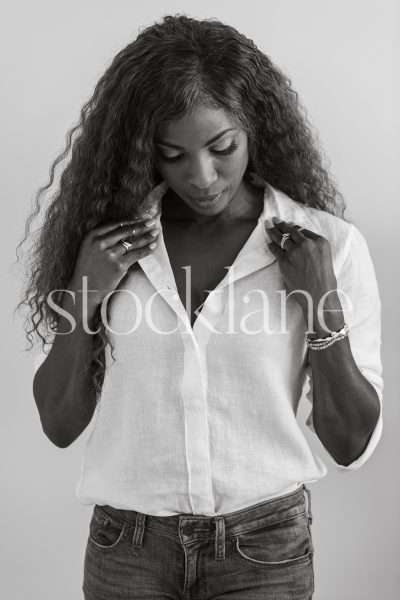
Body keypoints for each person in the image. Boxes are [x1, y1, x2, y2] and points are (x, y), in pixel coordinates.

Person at [19, 14, 383, 599]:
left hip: (264, 549)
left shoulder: (327, 247)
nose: (203, 176)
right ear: (144, 152)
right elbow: (60, 426)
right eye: (173, 155)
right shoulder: (104, 248)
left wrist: (322, 306)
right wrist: (84, 295)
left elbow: (351, 445)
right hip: (126, 552)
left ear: (253, 128)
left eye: (222, 147)